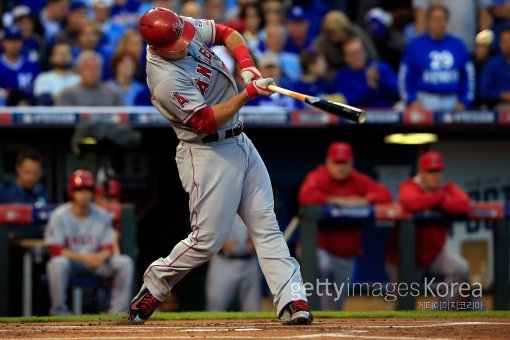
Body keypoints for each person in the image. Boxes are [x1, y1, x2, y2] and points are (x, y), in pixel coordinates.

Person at [129, 8, 312, 325]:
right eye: (176, 43)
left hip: (240, 141)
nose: (185, 44)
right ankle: (155, 284)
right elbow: (205, 120)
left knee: (266, 225)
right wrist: (247, 94)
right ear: (157, 47)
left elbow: (229, 33)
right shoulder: (162, 79)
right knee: (206, 242)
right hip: (207, 153)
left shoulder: (180, 26)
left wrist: (247, 67)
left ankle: (293, 300)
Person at [298, 142, 392, 310]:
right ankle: (308, 309)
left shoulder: (358, 180)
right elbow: (306, 196)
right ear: (328, 162)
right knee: (323, 267)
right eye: (337, 162)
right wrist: (337, 201)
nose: (341, 167)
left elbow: (385, 195)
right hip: (321, 248)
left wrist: (364, 200)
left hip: (346, 255)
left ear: (351, 163)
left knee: (336, 305)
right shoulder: (319, 176)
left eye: (344, 163)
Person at [385, 151, 472, 305]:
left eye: (437, 171)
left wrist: (434, 200)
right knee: (404, 304)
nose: (434, 175)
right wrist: (440, 198)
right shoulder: (409, 186)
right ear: (421, 173)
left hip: (433, 256)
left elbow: (464, 204)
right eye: (430, 171)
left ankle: (439, 311)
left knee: (460, 268)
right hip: (404, 260)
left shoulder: (448, 187)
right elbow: (411, 203)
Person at [44, 170, 133, 315]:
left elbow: (108, 248)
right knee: (57, 263)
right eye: (79, 190)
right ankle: (59, 311)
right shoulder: (59, 215)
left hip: (96, 263)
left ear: (93, 192)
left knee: (124, 262)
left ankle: (119, 311)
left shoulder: (102, 215)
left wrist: (101, 257)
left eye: (87, 190)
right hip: (72, 263)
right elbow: (55, 249)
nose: (84, 194)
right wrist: (84, 258)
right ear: (72, 192)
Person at [398, 4, 475, 111]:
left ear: (447, 22)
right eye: (435, 19)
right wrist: (412, 100)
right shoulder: (415, 45)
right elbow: (404, 77)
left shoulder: (458, 45)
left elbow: (468, 76)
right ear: (428, 22)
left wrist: (464, 101)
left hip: (452, 100)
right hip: (424, 99)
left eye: (442, 19)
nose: (439, 23)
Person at [206, 215, 261, 311]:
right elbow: (202, 228)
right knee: (215, 308)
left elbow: (264, 224)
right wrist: (219, 244)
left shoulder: (253, 202)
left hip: (249, 261)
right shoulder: (218, 203)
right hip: (223, 263)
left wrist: (256, 240)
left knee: (253, 309)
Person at [332, 36, 399, 108]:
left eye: (358, 52)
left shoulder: (381, 68)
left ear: (365, 52)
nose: (356, 57)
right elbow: (346, 101)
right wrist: (370, 88)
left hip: (388, 115)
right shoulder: (341, 77)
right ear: (345, 57)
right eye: (352, 54)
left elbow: (397, 92)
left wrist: (380, 81)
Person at [56, 50, 124, 106]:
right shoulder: (68, 93)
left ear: (101, 71)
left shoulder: (112, 93)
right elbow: (61, 120)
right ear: (80, 70)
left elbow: (125, 118)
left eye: (96, 68)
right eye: (88, 67)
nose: (92, 71)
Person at [0, 27, 40, 105]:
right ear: (3, 43)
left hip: (29, 104)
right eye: (10, 41)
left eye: (18, 40)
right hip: (5, 105)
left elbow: (38, 87)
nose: (14, 44)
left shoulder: (32, 64)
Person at [480, 27, 510, 108]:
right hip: (500, 104)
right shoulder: (492, 64)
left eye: (509, 41)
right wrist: (503, 95)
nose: (507, 45)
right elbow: (485, 91)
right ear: (500, 43)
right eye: (504, 42)